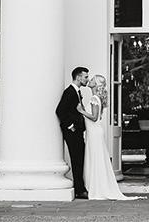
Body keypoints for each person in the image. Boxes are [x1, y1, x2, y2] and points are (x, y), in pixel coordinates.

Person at [77, 74, 146, 200]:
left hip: (94, 133)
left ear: (96, 84)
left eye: (92, 79)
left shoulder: (94, 98)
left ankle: (97, 187)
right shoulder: (96, 98)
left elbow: (94, 117)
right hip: (93, 132)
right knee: (96, 158)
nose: (90, 80)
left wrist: (81, 111)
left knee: (96, 158)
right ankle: (96, 186)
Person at [55, 67, 89, 199]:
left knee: (79, 159)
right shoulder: (69, 92)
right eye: (85, 77)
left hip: (78, 131)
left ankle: (80, 188)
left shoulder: (77, 92)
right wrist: (71, 126)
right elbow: (60, 111)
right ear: (78, 77)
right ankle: (80, 190)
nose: (87, 79)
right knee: (77, 160)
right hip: (73, 132)